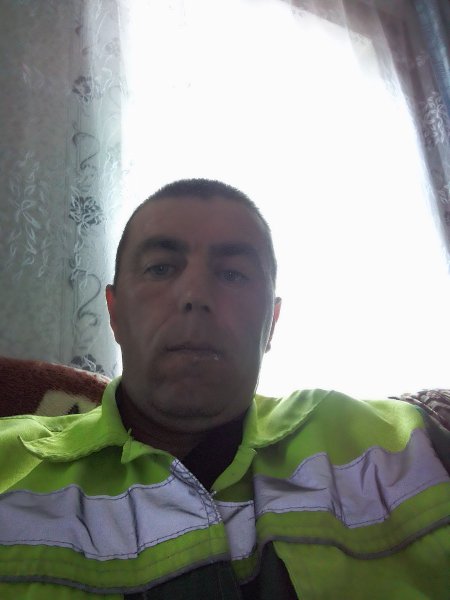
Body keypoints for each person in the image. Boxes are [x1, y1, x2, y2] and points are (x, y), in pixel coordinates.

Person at [0, 178, 449, 599]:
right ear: (114, 313)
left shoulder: (405, 440)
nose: (195, 294)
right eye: (161, 268)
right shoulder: (10, 461)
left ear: (271, 323)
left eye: (233, 274)